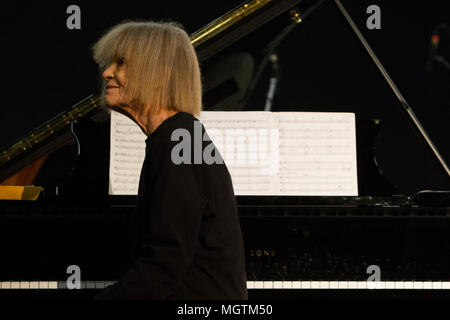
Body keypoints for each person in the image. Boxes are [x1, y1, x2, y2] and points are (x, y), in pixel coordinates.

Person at [91, 20, 248, 299]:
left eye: (120, 63)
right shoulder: (180, 136)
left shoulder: (177, 142)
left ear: (156, 71)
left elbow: (163, 267)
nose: (107, 73)